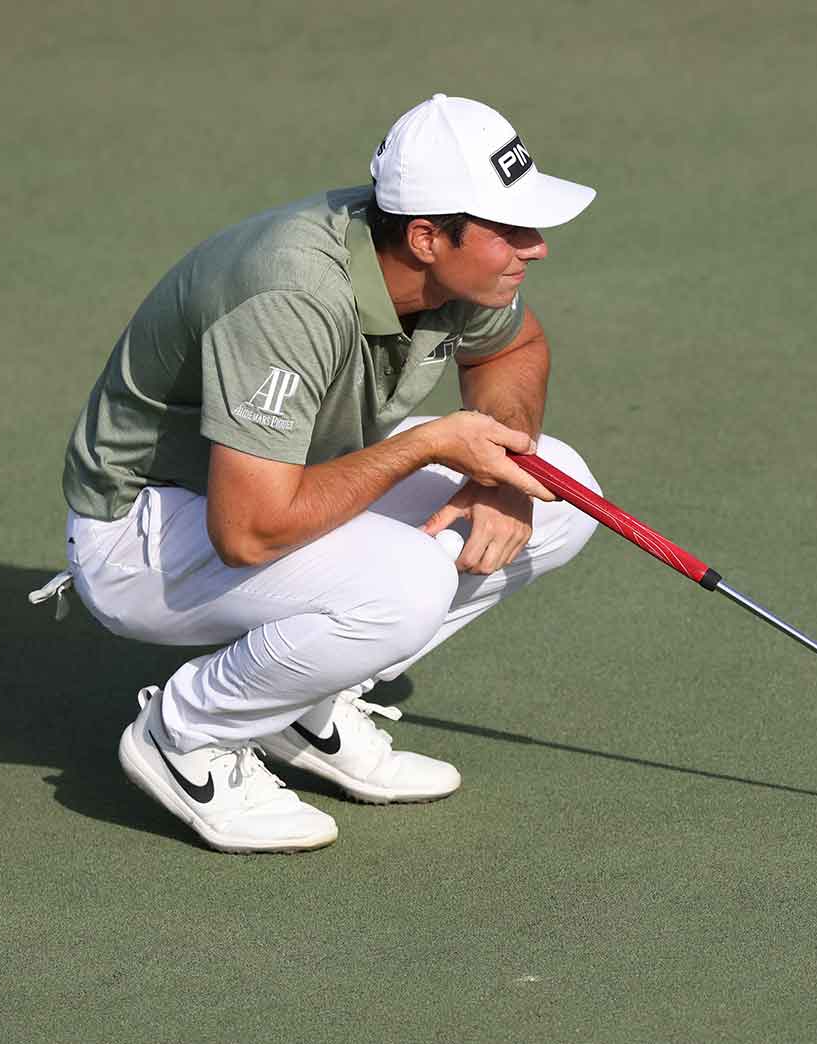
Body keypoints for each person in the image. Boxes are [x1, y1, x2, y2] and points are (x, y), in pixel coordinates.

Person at [29, 94, 602, 853]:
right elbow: (249, 531)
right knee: (404, 583)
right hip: (147, 532)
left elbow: (510, 351)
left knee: (556, 487)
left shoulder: (448, 271)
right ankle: (187, 735)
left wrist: (497, 473)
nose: (536, 248)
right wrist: (426, 445)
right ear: (428, 236)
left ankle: (302, 702)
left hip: (287, 479)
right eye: (511, 230)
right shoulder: (292, 294)